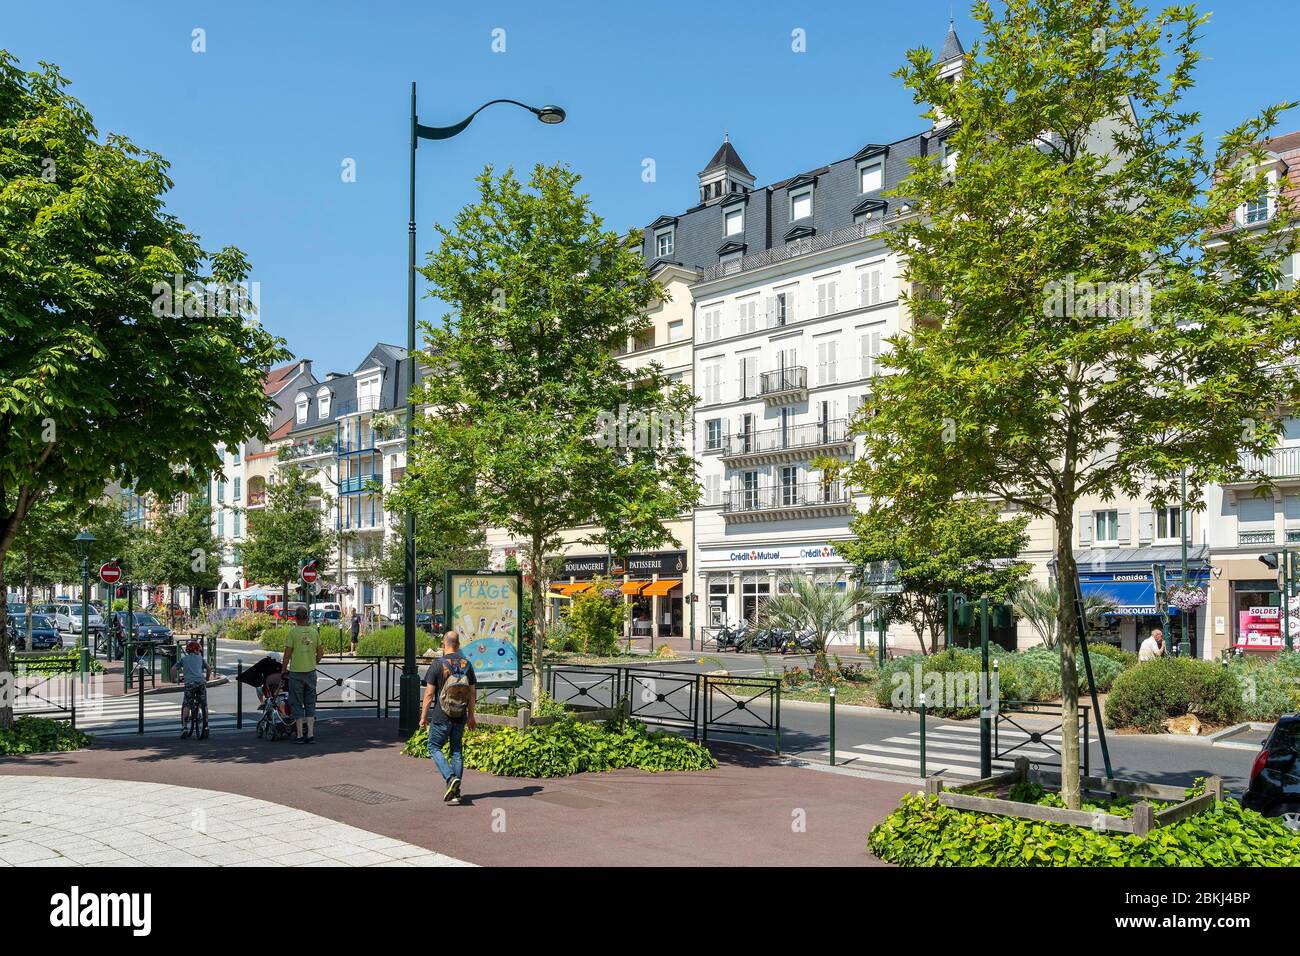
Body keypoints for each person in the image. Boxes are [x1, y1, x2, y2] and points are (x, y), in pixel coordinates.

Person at [419, 630, 476, 805]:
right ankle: (456, 792)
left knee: (433, 746)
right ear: (458, 646)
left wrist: (423, 717)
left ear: (443, 644)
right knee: (456, 751)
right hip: (460, 715)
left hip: (442, 715)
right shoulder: (467, 665)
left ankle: (450, 778)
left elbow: (429, 694)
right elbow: (472, 693)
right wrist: (471, 716)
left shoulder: (438, 664)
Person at [281, 606, 324, 744]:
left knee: (297, 703)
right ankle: (310, 734)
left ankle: (299, 735)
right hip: (310, 672)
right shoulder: (314, 632)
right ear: (307, 618)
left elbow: (286, 656)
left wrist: (283, 670)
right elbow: (321, 652)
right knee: (310, 703)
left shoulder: (293, 633)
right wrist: (314, 662)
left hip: (296, 673)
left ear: (295, 618)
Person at [180, 640, 212, 739]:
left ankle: (185, 727)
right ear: (197, 650)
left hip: (189, 684)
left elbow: (173, 669)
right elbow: (209, 669)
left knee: (186, 704)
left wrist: (174, 679)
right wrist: (206, 678)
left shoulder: (184, 659)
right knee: (204, 704)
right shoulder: (200, 658)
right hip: (201, 683)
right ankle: (206, 726)